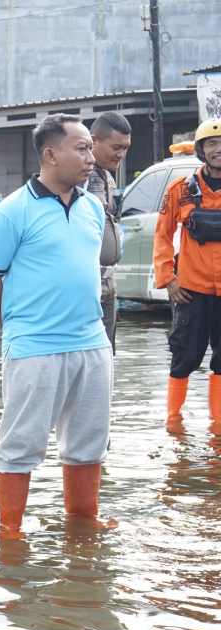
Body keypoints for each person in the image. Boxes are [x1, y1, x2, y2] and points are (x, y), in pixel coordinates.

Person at [0, 113, 113, 537]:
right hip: (35, 346)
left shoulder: (92, 207)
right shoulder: (10, 213)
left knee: (90, 442)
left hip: (92, 343)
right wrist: (16, 328)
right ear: (50, 154)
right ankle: (11, 534)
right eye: (82, 148)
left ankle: (82, 525)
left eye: (91, 148)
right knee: (21, 445)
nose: (92, 157)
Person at [155, 118, 221, 419]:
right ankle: (174, 423)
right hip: (191, 292)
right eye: (212, 144)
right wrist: (168, 280)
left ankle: (217, 430)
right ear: (201, 150)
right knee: (185, 356)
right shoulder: (180, 190)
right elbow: (163, 236)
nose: (219, 149)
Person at [87, 112, 132, 350]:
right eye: (116, 147)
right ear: (93, 141)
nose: (121, 154)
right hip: (87, 281)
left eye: (125, 148)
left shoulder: (107, 176)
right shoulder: (77, 178)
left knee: (106, 358)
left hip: (108, 281)